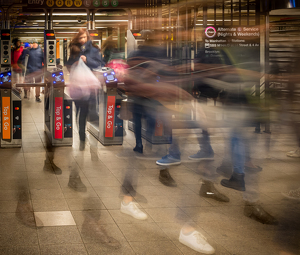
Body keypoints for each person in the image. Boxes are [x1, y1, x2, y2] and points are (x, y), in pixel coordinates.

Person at [66, 28, 105, 150]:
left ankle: (83, 136)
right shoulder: (74, 49)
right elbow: (68, 65)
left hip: (90, 86)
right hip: (78, 86)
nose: (82, 40)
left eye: (84, 37)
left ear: (88, 37)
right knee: (79, 111)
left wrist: (87, 60)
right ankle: (82, 136)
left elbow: (100, 64)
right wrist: (74, 63)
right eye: (80, 38)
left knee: (86, 111)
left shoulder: (94, 50)